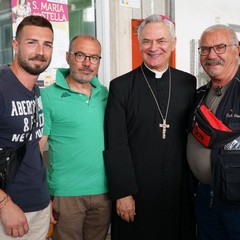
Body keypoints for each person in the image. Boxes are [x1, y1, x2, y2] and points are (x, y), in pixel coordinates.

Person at [103, 14, 196, 240]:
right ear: (139, 43)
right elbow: (115, 142)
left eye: (161, 41)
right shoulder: (121, 86)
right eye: (147, 41)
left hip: (177, 188)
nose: (154, 48)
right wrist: (123, 192)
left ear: (173, 44)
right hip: (136, 191)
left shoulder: (188, 83)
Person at [39, 34, 111, 240]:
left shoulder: (106, 95)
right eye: (80, 55)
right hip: (66, 194)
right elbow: (37, 148)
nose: (87, 63)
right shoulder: (48, 96)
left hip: (104, 191)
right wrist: (43, 195)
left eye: (94, 57)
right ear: (68, 57)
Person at [0, 15, 53, 239]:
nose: (40, 51)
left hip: (39, 206)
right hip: (9, 211)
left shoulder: (35, 90)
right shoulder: (2, 87)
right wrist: (4, 204)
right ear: (15, 44)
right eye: (32, 42)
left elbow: (31, 150)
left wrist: (44, 200)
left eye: (47, 44)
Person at [187, 24, 240, 240]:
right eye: (205, 49)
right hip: (204, 195)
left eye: (220, 47)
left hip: (235, 201)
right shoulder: (200, 93)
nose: (212, 55)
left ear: (237, 50)